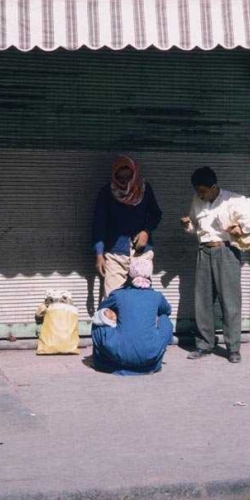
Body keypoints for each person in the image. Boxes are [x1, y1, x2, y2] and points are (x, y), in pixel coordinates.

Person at [180, 166, 246, 364]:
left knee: (230, 301)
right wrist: (187, 226)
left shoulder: (233, 201)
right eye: (197, 191)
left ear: (214, 187)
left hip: (226, 251)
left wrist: (240, 229)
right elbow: (195, 227)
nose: (200, 195)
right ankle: (204, 344)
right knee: (203, 301)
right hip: (204, 252)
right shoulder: (197, 200)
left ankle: (233, 348)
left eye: (203, 191)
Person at [92, 155, 162, 299]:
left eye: (128, 178)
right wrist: (99, 254)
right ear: (114, 177)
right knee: (113, 297)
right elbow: (99, 225)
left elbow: (156, 214)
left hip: (141, 251)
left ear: (135, 174)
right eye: (121, 179)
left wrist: (146, 232)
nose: (125, 182)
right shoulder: (106, 193)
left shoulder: (144, 189)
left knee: (142, 294)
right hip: (115, 252)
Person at [90, 258, 174, 375]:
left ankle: (101, 362)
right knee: (165, 319)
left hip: (119, 354)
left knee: (98, 320)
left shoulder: (118, 295)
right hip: (149, 354)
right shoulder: (157, 296)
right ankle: (155, 362)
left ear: (129, 274)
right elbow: (167, 310)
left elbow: (101, 309)